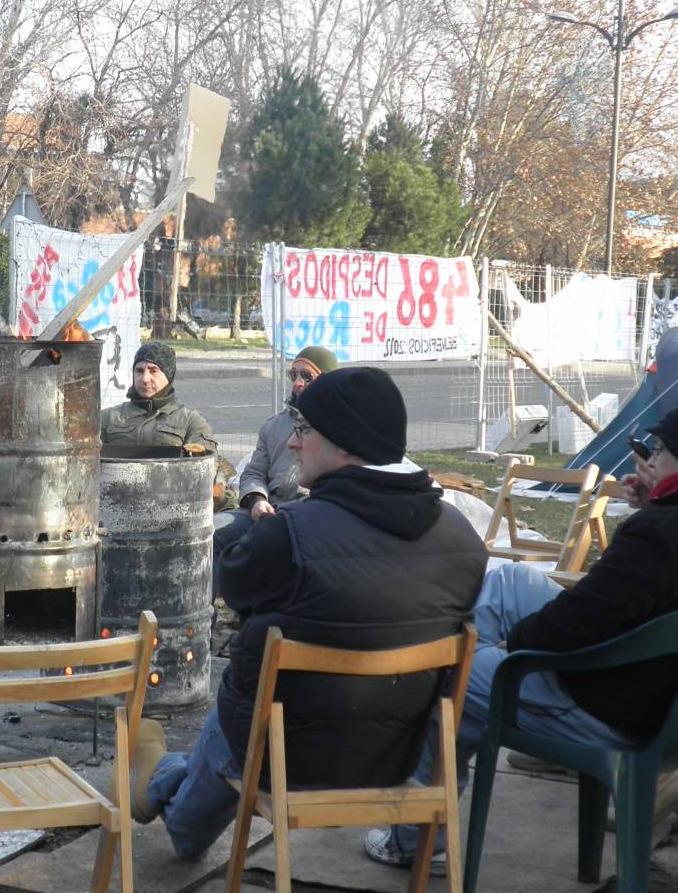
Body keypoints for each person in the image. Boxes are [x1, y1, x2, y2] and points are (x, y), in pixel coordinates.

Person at [367, 401, 678, 869]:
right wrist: (659, 502)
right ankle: (467, 696)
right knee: (513, 582)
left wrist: (504, 650)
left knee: (446, 668)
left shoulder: (662, 536)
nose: (650, 460)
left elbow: (571, 628)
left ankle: (413, 840)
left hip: (607, 706)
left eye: (658, 450)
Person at [129, 365, 488, 860]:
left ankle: (161, 777)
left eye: (303, 430)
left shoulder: (289, 533)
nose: (294, 443)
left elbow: (234, 587)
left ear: (342, 443)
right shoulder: (464, 541)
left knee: (242, 712)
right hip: (390, 758)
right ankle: (168, 771)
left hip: (281, 754)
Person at [211, 345, 338, 572]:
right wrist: (257, 500)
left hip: (310, 516)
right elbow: (254, 472)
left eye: (307, 376)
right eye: (294, 374)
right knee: (210, 533)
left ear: (326, 381)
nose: (298, 382)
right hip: (266, 512)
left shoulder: (337, 426)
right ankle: (203, 608)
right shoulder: (274, 425)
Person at [99, 342, 217, 453]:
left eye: (153, 371)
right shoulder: (106, 418)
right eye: (139, 371)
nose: (145, 379)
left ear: (169, 376)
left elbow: (206, 465)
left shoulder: (191, 422)